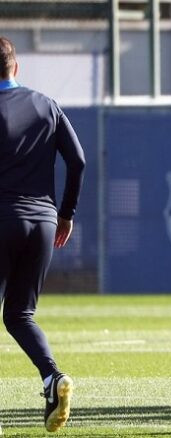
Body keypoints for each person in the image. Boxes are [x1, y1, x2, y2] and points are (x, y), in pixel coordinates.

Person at [0, 36, 85, 432]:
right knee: (20, 313)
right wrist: (65, 214)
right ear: (15, 67)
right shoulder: (45, 104)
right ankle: (53, 378)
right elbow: (78, 160)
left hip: (2, 218)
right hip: (43, 222)